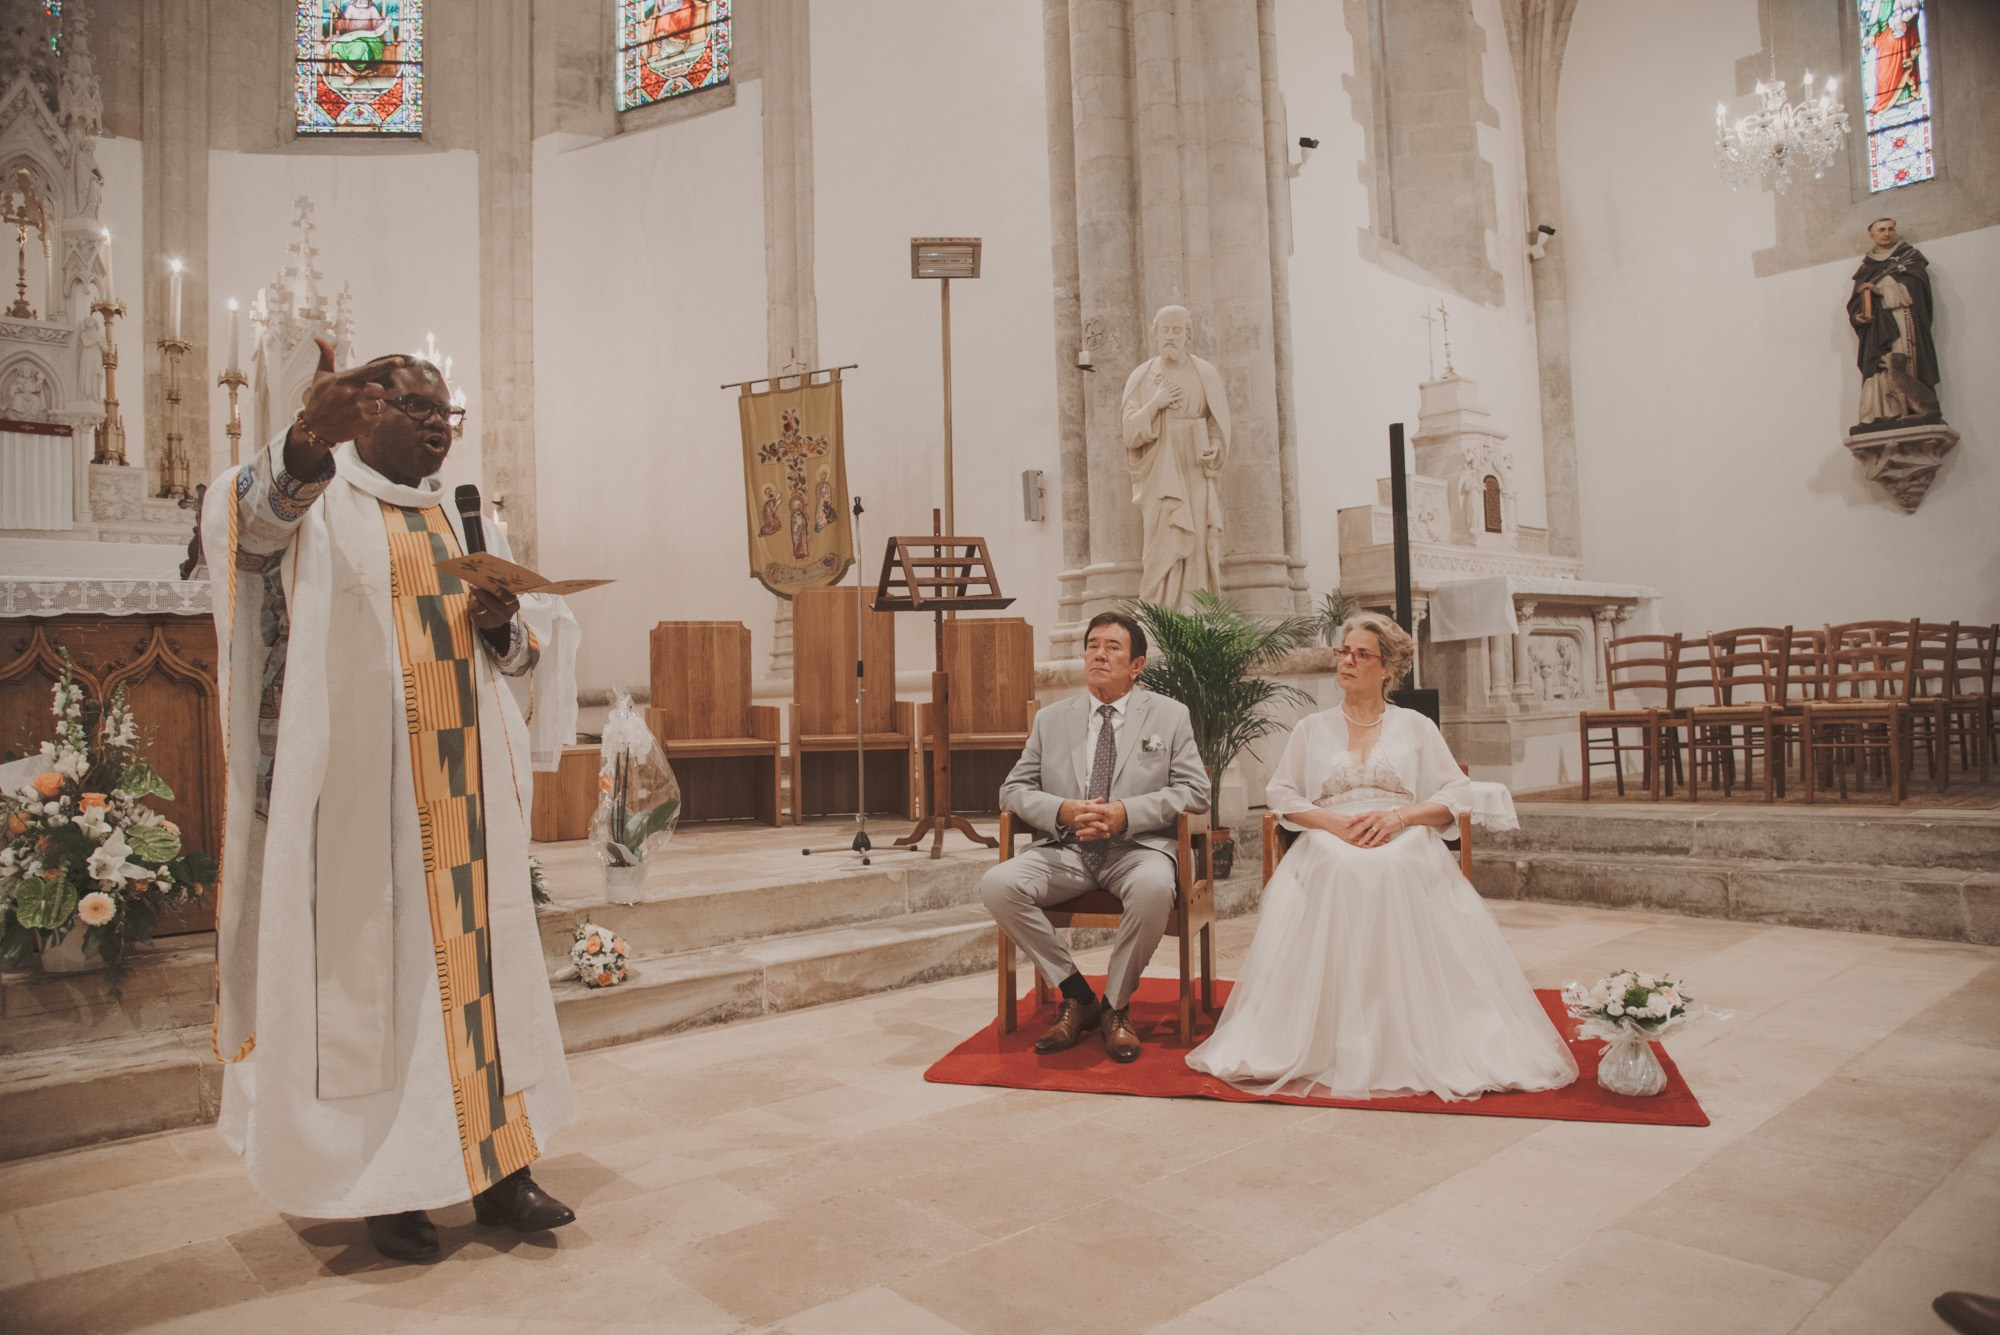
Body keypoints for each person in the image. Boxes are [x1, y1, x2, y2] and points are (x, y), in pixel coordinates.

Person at [200, 339, 576, 1263]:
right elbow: (246, 535)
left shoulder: (464, 521)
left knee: (482, 984)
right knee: (386, 993)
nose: (439, 430)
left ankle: (500, 1173)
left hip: (471, 798)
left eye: (447, 415)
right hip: (371, 802)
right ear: (363, 412)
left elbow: (522, 661)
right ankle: (389, 1187)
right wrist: (299, 444)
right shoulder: (320, 504)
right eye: (417, 410)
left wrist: (506, 630)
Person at [1186, 612, 1576, 1100]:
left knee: (1396, 863)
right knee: (1335, 863)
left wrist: (1401, 818)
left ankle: (1407, 1026)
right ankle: (1328, 1032)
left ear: (1387, 667)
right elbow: (1282, 792)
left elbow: (1456, 791)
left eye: (1360, 654)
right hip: (1331, 833)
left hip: (1402, 830)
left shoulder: (1415, 727)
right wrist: (1328, 822)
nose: (1347, 661)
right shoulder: (1312, 728)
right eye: (1342, 651)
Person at [979, 611, 1210, 1063]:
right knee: (997, 885)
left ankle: (1116, 1006)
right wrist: (1060, 810)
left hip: (1136, 848)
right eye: (1092, 646)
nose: (1099, 654)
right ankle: (1076, 992)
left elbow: (1196, 791)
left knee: (1153, 887)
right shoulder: (1052, 719)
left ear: (1136, 665)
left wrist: (1127, 814)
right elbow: (1013, 789)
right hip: (1066, 848)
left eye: (1112, 647)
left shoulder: (1169, 715)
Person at [1120, 306, 1229, 610]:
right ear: (1155, 333)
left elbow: (1216, 424)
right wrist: (1155, 404)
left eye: (1177, 330)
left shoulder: (1206, 373)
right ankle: (1160, 611)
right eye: (1165, 330)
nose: (1171, 336)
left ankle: (1192, 611)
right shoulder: (1141, 377)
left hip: (1194, 464)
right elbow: (1130, 432)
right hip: (1159, 470)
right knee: (1162, 540)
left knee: (1194, 540)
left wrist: (1216, 447)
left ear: (1188, 334)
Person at [1848, 217, 1940, 429]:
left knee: (1902, 364)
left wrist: (1882, 291)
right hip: (1876, 329)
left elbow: (1918, 292)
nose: (1886, 233)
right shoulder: (1866, 268)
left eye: (1890, 229)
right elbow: (1856, 302)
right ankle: (1882, 411)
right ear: (1872, 235)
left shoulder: (1909, 258)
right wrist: (1858, 317)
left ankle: (1907, 410)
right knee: (1881, 364)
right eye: (1881, 230)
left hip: (1903, 321)